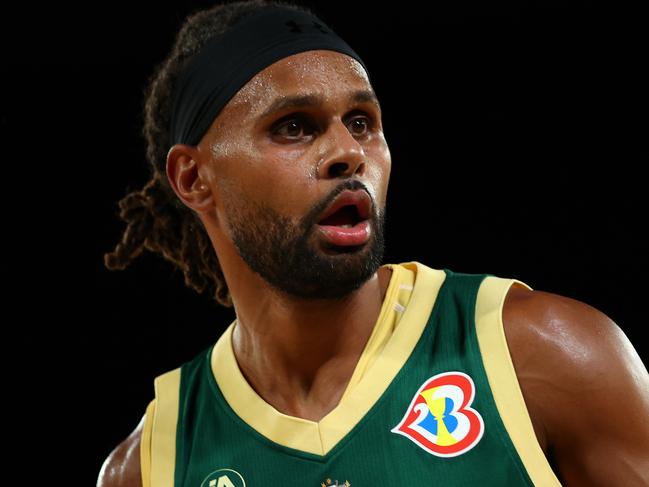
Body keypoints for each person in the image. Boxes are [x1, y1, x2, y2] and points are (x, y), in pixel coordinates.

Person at [97, 1, 649, 486]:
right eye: (294, 126)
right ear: (194, 179)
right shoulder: (152, 466)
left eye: (362, 122)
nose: (347, 152)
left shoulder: (547, 355)